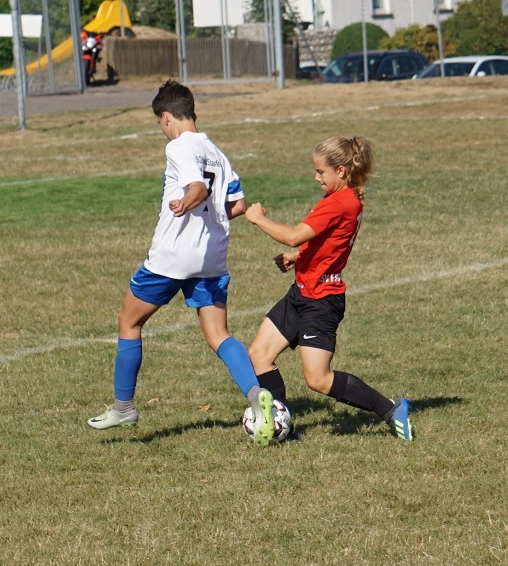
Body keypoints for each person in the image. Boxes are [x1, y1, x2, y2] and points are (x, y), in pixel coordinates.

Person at [87, 80, 277, 446]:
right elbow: (237, 205)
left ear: (166, 118)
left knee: (129, 321)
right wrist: (206, 207)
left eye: (161, 123)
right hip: (211, 257)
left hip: (172, 257)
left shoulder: (178, 146)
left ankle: (123, 407)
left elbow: (198, 189)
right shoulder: (217, 153)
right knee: (219, 335)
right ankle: (257, 396)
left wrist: (186, 203)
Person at [244, 135, 413, 441]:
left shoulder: (339, 202)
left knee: (318, 379)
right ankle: (282, 427)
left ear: (341, 171)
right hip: (302, 293)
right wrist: (300, 257)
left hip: (322, 301)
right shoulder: (343, 198)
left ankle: (390, 408)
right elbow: (329, 242)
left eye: (321, 171)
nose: (316, 177)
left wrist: (257, 219)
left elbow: (294, 235)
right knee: (259, 354)